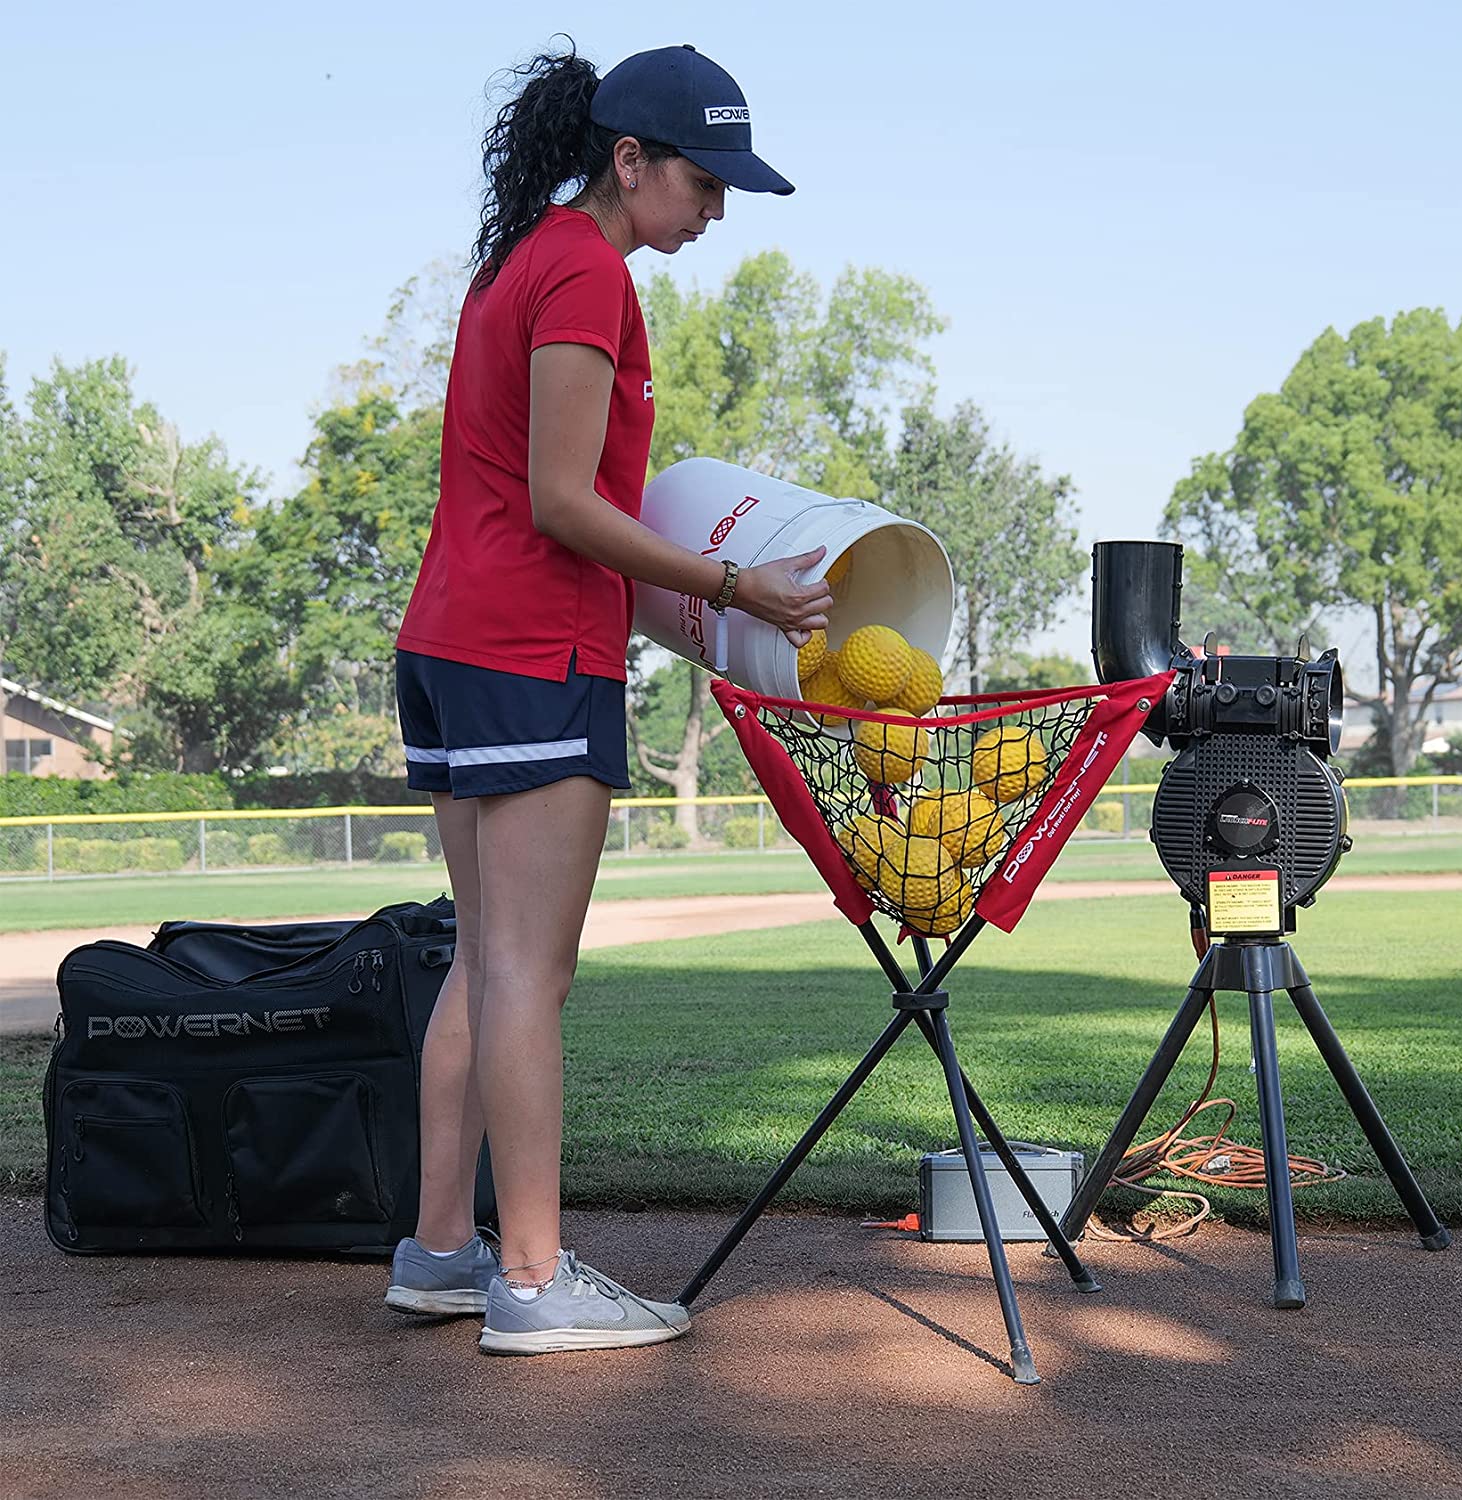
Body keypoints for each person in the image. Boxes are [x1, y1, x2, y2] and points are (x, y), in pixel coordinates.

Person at [383, 43, 828, 1355]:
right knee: (530, 970)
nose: (715, 208)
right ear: (626, 159)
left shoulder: (521, 263)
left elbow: (536, 502)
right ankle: (530, 1280)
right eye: (702, 178)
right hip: (529, 649)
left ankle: (445, 1254)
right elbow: (565, 503)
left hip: (456, 640)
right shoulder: (582, 270)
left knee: (483, 961)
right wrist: (739, 587)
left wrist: (708, 611)